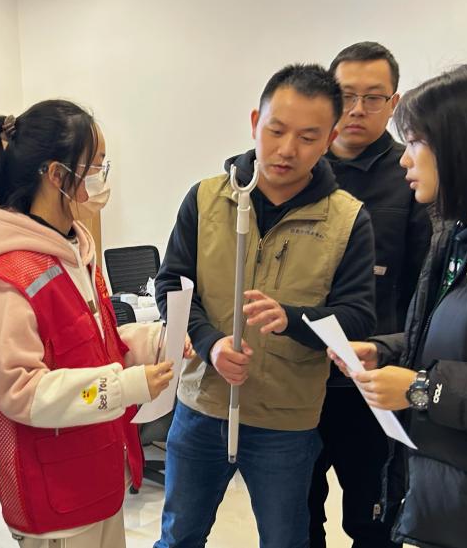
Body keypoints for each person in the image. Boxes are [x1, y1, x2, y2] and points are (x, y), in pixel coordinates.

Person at [330, 63, 467, 548]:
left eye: (415, 143)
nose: (403, 160)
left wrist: (421, 389)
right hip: (453, 495)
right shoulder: (465, 228)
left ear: (461, 147)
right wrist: (387, 350)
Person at [154, 64, 377, 548]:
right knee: (178, 536)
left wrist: (292, 319)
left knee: (285, 540)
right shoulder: (206, 199)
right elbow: (172, 284)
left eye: (308, 137)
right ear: (255, 122)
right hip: (202, 404)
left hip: (286, 419)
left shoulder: (347, 220)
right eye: (276, 130)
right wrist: (210, 345)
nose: (287, 149)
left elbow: (358, 317)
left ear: (330, 139)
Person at [0, 100, 177, 548]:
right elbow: (22, 392)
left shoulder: (75, 253)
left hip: (99, 474)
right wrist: (123, 386)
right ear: (57, 176)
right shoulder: (10, 281)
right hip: (56, 500)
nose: (101, 178)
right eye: (95, 166)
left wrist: (158, 341)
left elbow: (97, 344)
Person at [309, 42, 431, 548]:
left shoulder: (410, 174)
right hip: (299, 382)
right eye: (346, 95)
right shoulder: (300, 168)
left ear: (394, 102)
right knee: (296, 518)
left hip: (373, 383)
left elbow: (425, 288)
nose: (357, 110)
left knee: (373, 523)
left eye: (373, 98)